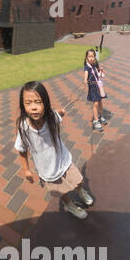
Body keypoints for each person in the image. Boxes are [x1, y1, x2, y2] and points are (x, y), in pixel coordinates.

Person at [15, 80, 94, 220]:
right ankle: (70, 205)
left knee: (78, 180)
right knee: (61, 191)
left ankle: (81, 191)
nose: (33, 108)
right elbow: (22, 149)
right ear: (23, 105)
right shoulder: (24, 127)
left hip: (63, 160)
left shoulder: (51, 117)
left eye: (38, 102)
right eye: (28, 103)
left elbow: (56, 113)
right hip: (47, 169)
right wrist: (26, 170)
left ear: (45, 103)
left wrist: (61, 112)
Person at [83, 48, 106, 129]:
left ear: (94, 57)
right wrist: (85, 79)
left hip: (98, 87)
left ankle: (101, 115)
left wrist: (101, 72)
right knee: (95, 103)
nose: (91, 58)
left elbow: (98, 75)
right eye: (89, 56)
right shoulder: (87, 67)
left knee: (100, 102)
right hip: (92, 88)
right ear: (86, 58)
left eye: (92, 56)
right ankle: (96, 120)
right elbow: (86, 74)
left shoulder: (95, 65)